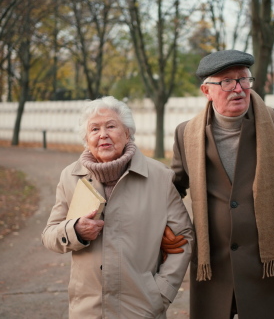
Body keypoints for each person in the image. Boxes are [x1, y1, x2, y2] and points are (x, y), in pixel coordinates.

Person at [170, 50, 274, 319]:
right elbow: (173, 190)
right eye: (226, 81)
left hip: (268, 265)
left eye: (244, 80)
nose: (238, 89)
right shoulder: (186, 133)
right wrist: (172, 228)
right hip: (212, 266)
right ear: (206, 90)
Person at [42, 96, 194, 318]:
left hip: (141, 308)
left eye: (111, 126)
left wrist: (160, 293)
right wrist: (74, 231)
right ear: (86, 139)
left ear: (127, 132)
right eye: (94, 129)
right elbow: (49, 235)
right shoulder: (70, 177)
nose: (102, 134)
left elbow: (184, 237)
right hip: (88, 310)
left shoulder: (159, 177)